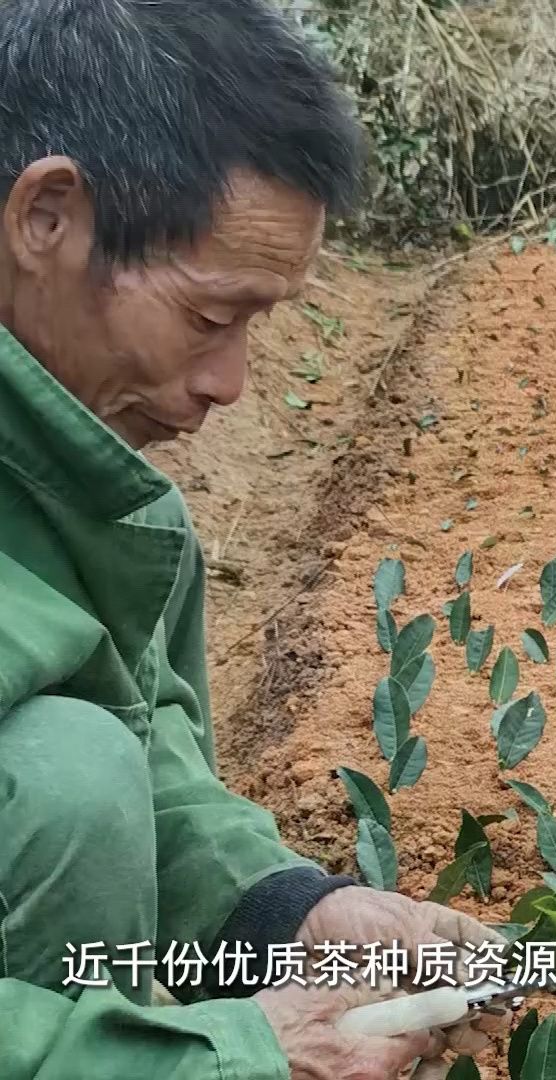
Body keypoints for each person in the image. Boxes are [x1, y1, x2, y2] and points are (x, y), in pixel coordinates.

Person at [0, 2, 501, 1077]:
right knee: (61, 777)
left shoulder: (97, 495)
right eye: (207, 316)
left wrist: (297, 914)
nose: (229, 385)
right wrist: (208, 1058)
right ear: (46, 218)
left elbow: (145, 746)